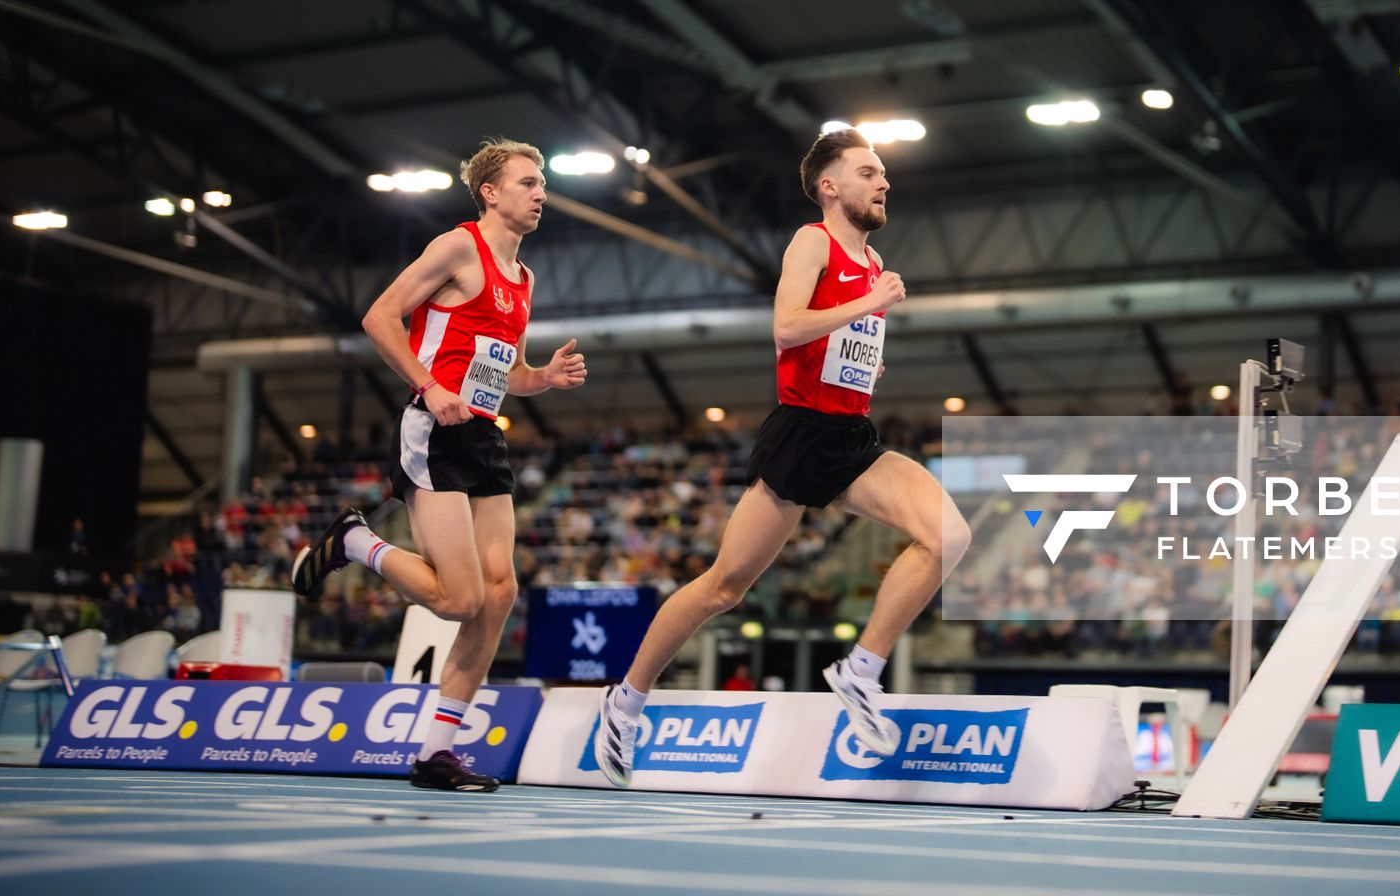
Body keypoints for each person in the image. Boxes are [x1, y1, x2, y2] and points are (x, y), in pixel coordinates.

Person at [594, 128, 970, 788]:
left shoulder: (874, 261)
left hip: (852, 437)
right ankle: (625, 700)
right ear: (831, 186)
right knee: (724, 588)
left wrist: (867, 358)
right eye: (869, 172)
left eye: (884, 173)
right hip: (799, 434)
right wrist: (871, 304)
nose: (884, 182)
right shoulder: (811, 242)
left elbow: (833, 343)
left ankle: (860, 670)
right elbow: (786, 327)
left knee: (949, 536)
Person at [290, 138, 586, 791]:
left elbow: (503, 374)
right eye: (528, 182)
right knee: (459, 600)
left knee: (499, 593)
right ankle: (356, 542)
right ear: (491, 192)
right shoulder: (459, 247)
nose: (541, 193)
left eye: (543, 184)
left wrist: (546, 378)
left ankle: (436, 753)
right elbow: (379, 316)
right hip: (433, 430)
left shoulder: (523, 278)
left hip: (483, 435)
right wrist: (428, 384)